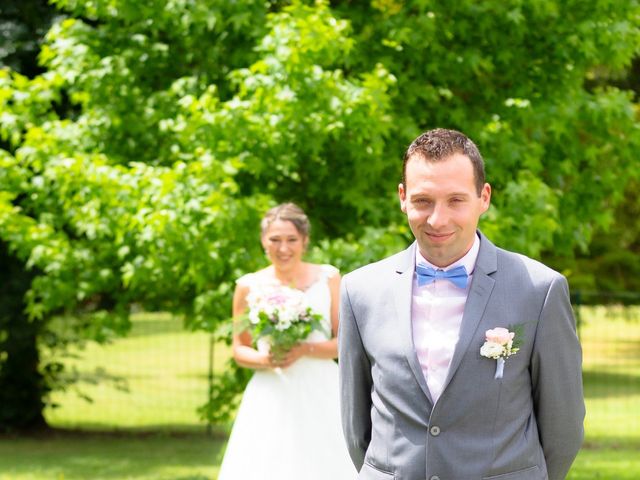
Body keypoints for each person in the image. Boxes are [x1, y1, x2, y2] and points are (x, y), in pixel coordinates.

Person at [338, 128, 585, 480]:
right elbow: (355, 425)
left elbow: (564, 427)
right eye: (423, 201)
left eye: (456, 200)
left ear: (483, 197)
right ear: (403, 198)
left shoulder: (539, 290)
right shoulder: (359, 291)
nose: (438, 220)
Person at [218, 203, 356, 480]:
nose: (283, 248)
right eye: (275, 240)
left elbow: (344, 342)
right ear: (263, 241)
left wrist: (305, 348)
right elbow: (239, 349)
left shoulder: (328, 277)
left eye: (291, 239)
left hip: (323, 388)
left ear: (304, 241)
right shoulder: (247, 286)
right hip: (271, 390)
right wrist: (267, 359)